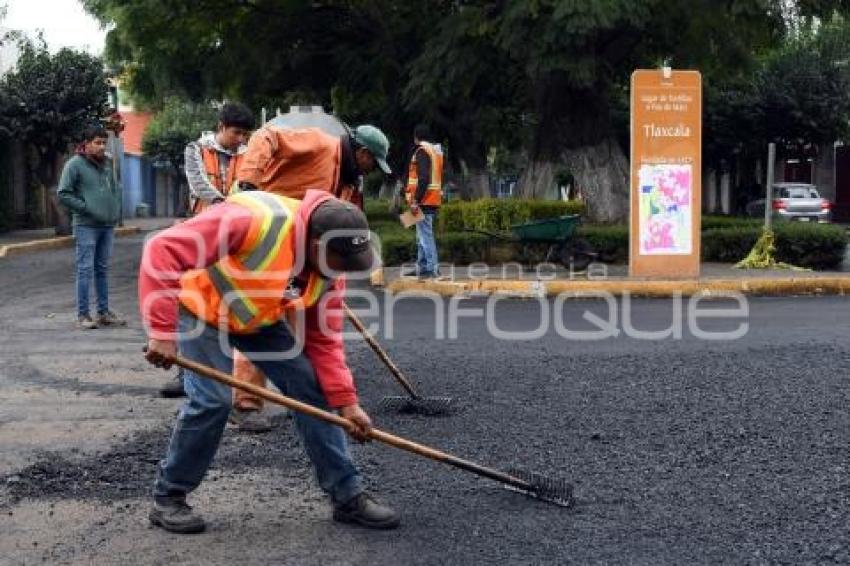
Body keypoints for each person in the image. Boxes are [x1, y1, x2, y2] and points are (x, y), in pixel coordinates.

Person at [140, 189, 399, 533]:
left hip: (256, 318)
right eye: (341, 265)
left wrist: (347, 403)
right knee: (212, 401)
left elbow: (324, 342)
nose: (343, 275)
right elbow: (162, 249)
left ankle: (347, 496)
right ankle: (168, 497)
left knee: (312, 388)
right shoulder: (254, 221)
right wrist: (162, 331)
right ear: (319, 245)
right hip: (200, 309)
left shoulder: (327, 271)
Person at [217, 123, 391, 428]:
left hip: (305, 254)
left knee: (306, 329)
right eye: (372, 163)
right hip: (265, 241)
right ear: (362, 152)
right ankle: (246, 402)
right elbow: (266, 136)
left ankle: (307, 394)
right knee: (260, 318)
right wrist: (248, 183)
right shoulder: (318, 144)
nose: (370, 170)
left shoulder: (347, 182)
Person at [157, 103, 262, 427]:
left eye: (245, 134)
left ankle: (226, 384)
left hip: (233, 239)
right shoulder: (196, 150)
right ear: (221, 126)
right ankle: (185, 371)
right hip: (201, 235)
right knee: (192, 303)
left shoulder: (247, 156)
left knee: (226, 308)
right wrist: (225, 204)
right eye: (235, 132)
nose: (240, 140)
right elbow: (198, 184)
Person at [58, 125, 126, 329]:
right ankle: (83, 315)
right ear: (86, 144)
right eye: (97, 142)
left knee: (102, 269)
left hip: (106, 225)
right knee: (85, 270)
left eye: (104, 143)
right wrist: (86, 208)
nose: (101, 147)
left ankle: (103, 312)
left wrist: (114, 210)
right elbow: (64, 193)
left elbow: (114, 189)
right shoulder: (74, 165)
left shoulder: (107, 165)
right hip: (86, 225)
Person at [402, 124, 443, 279]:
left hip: (423, 201)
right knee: (422, 235)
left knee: (425, 235)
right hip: (430, 199)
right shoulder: (434, 152)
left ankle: (432, 269)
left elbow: (424, 178)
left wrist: (415, 201)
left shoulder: (421, 151)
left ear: (416, 137)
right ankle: (422, 267)